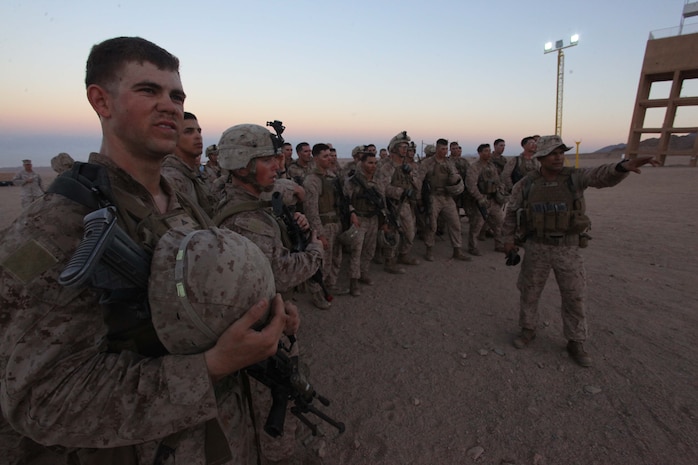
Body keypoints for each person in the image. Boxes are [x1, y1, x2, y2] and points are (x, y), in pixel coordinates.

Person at [0, 36, 296, 464]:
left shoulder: (181, 197)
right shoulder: (53, 227)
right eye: (148, 90)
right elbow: (40, 400)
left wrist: (264, 309)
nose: (170, 106)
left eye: (177, 96)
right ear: (101, 101)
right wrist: (209, 368)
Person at [212, 123, 323, 463]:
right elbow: (282, 272)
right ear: (243, 165)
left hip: (258, 313)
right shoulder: (248, 220)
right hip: (257, 329)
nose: (278, 165)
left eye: (277, 157)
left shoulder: (242, 201)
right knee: (273, 405)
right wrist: (316, 252)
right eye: (268, 159)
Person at [502, 135, 658, 367]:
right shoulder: (526, 183)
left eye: (561, 152)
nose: (558, 157)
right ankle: (528, 329)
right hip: (536, 247)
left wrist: (621, 167)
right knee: (529, 292)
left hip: (567, 248)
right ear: (541, 157)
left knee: (574, 296)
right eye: (553, 153)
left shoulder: (574, 177)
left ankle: (575, 340)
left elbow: (600, 176)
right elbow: (511, 211)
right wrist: (508, 240)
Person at [303, 143, 359, 307]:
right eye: (325, 156)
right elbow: (311, 210)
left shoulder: (333, 178)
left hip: (337, 223)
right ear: (316, 158)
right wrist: (319, 234)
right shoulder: (311, 181)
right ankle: (316, 293)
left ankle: (330, 285)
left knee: (336, 258)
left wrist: (351, 213)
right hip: (324, 226)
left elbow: (343, 199)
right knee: (322, 263)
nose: (329, 159)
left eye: (330, 155)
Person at [417, 139, 470, 261]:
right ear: (437, 149)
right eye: (442, 149)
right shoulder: (427, 163)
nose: (445, 151)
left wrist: (455, 182)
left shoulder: (449, 163)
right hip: (433, 196)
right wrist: (419, 197)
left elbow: (455, 176)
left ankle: (457, 250)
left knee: (455, 223)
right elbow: (419, 180)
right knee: (432, 225)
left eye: (446, 149)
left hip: (447, 196)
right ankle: (429, 250)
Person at [377, 131, 421, 272]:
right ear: (394, 149)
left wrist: (411, 175)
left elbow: (417, 185)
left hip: (406, 204)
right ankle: (389, 262)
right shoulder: (387, 168)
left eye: (406, 147)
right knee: (392, 234)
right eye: (402, 146)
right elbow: (382, 188)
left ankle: (403, 255)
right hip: (392, 205)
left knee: (410, 233)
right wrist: (400, 192)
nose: (405, 149)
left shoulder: (407, 167)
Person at [161, 111, 215, 216]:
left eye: (199, 131)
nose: (198, 136)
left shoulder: (191, 175)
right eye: (188, 132)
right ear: (173, 137)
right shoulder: (170, 179)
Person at [465, 143, 505, 255]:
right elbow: (471, 185)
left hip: (493, 199)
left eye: (489, 150)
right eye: (485, 151)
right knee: (477, 225)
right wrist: (479, 198)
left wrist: (501, 191)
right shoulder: (475, 167)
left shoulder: (491, 166)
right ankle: (472, 247)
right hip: (482, 201)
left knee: (499, 222)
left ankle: (499, 244)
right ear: (480, 153)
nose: (488, 153)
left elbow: (498, 180)